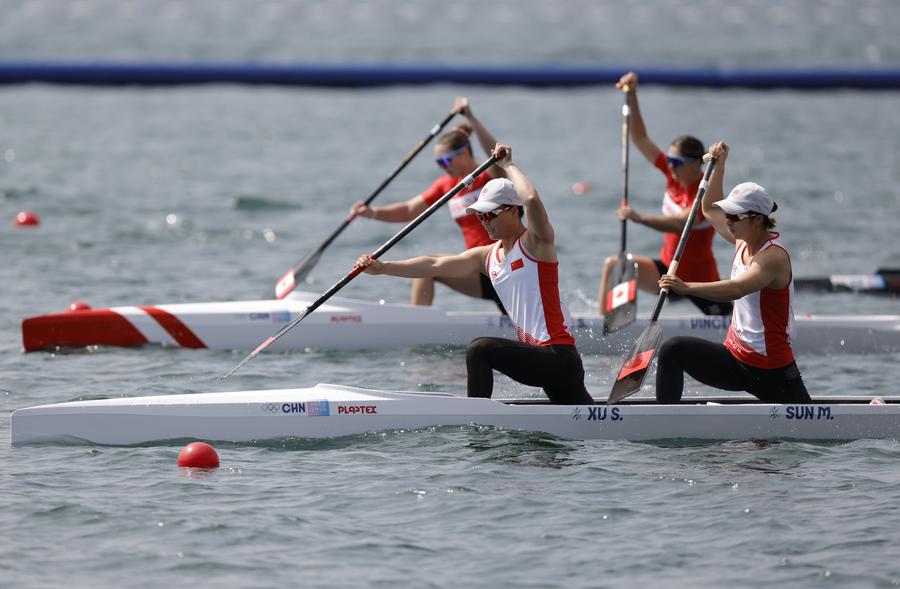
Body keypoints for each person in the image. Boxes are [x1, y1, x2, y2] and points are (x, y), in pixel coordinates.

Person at [357, 145, 594, 405]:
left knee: (479, 349)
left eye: (491, 213)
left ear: (513, 210)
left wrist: (508, 166)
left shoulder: (536, 243)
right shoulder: (486, 256)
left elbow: (532, 200)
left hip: (557, 356)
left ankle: (475, 422)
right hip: (540, 360)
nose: (485, 221)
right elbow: (435, 264)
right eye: (480, 216)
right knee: (584, 422)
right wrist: (384, 268)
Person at [654, 141, 812, 404]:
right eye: (730, 215)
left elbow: (737, 288)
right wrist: (720, 165)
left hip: (770, 369)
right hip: (735, 359)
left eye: (735, 216)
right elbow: (709, 209)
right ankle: (664, 424)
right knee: (673, 350)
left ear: (758, 219)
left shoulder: (773, 257)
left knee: (799, 433)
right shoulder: (742, 240)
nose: (728, 221)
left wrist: (686, 287)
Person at [351, 97, 507, 311]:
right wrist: (372, 213)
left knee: (427, 264)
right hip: (478, 269)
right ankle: (418, 325)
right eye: (438, 163)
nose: (443, 167)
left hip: (505, 266)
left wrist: (470, 116)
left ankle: (418, 325)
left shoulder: (489, 176)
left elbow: (498, 155)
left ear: (463, 153)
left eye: (446, 161)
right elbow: (408, 210)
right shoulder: (447, 184)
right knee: (423, 268)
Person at [597, 72, 731, 316]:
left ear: (694, 163)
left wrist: (639, 218)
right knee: (615, 266)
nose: (669, 166)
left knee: (729, 326)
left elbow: (680, 223)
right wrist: (633, 94)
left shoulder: (704, 191)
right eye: (669, 160)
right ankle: (603, 321)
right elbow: (639, 138)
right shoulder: (673, 175)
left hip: (699, 283)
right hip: (666, 270)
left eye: (676, 161)